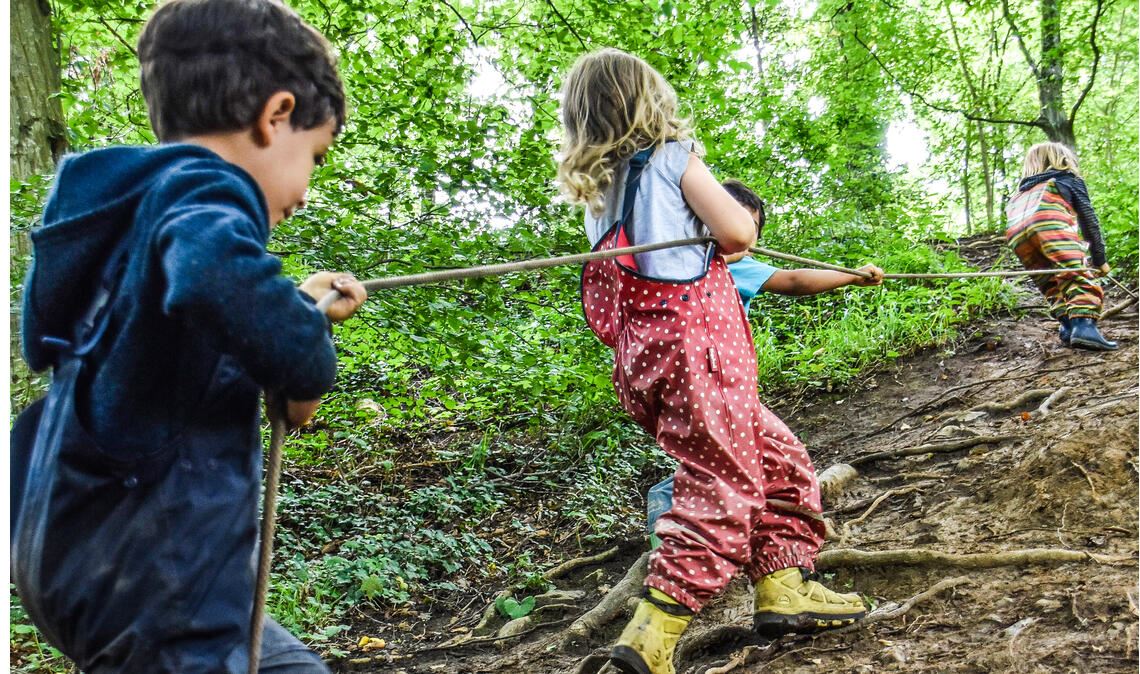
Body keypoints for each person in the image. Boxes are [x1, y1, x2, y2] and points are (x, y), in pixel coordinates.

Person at [10, 1, 366, 671]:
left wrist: (298, 312)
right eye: (314, 157)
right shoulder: (207, 189)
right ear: (276, 115)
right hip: (156, 580)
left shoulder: (124, 213)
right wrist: (308, 350)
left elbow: (187, 317)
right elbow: (208, 272)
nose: (307, 191)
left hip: (78, 559)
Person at [560, 48, 866, 674]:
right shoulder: (673, 158)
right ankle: (651, 637)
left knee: (779, 458)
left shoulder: (600, 192)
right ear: (650, 102)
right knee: (723, 484)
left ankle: (784, 586)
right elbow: (736, 234)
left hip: (650, 366)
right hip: (701, 357)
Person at [647, 180, 883, 550]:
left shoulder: (733, 267)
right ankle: (677, 527)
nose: (745, 236)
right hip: (705, 379)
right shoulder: (692, 263)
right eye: (734, 222)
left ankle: (724, 535)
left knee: (736, 453)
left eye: (752, 228)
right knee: (750, 453)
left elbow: (792, 279)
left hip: (708, 379)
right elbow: (792, 280)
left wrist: (851, 276)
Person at [1005, 141, 1115, 350]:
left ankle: (1068, 325)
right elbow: (1088, 220)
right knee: (1074, 272)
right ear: (1064, 160)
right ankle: (1084, 327)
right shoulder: (1067, 179)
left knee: (1048, 278)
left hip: (1016, 233)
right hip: (1047, 222)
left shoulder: (1020, 193)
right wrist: (1100, 260)